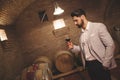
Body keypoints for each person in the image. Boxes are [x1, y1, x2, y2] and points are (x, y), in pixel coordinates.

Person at [67, 9, 117, 80]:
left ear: (82, 17)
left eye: (76, 20)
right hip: (89, 66)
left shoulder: (98, 26)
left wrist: (106, 63)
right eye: (73, 21)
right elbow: (82, 49)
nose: (75, 23)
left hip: (100, 63)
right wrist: (73, 47)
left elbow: (110, 45)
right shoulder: (82, 34)